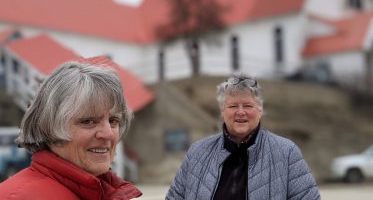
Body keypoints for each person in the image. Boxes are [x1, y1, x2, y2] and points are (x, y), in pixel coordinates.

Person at [0, 60, 142, 200]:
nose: (108, 134)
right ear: (49, 126)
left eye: (113, 121)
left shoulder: (104, 192)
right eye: (88, 121)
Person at [166, 74, 320, 200]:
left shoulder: (287, 152)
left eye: (247, 105)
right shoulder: (197, 153)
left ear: (260, 110)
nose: (240, 112)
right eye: (233, 106)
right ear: (222, 111)